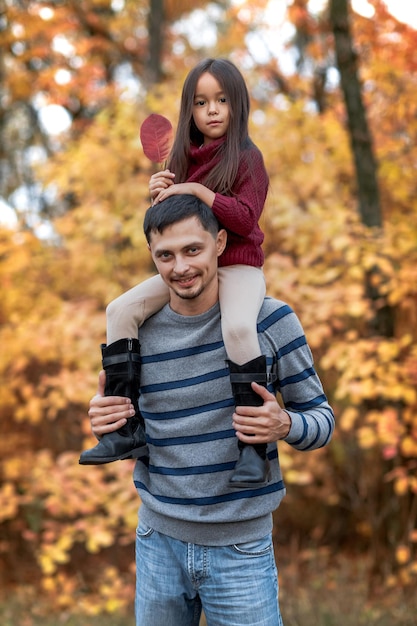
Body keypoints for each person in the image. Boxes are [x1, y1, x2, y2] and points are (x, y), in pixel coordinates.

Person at [87, 194, 335, 626]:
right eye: (165, 255)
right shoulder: (135, 332)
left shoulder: (270, 322)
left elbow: (322, 421)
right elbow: (131, 431)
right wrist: (104, 421)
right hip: (157, 542)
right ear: (152, 256)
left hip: (241, 551)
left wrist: (285, 423)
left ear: (220, 243)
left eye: (192, 250)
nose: (179, 267)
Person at [79, 57, 271, 488]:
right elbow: (168, 229)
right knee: (119, 311)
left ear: (238, 104)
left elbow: (244, 218)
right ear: (191, 111)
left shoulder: (247, 158)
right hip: (190, 267)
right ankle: (126, 431)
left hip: (237, 264)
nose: (213, 110)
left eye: (222, 100)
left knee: (239, 328)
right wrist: (160, 196)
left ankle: (253, 449)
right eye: (202, 103)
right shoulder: (182, 158)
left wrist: (198, 190)